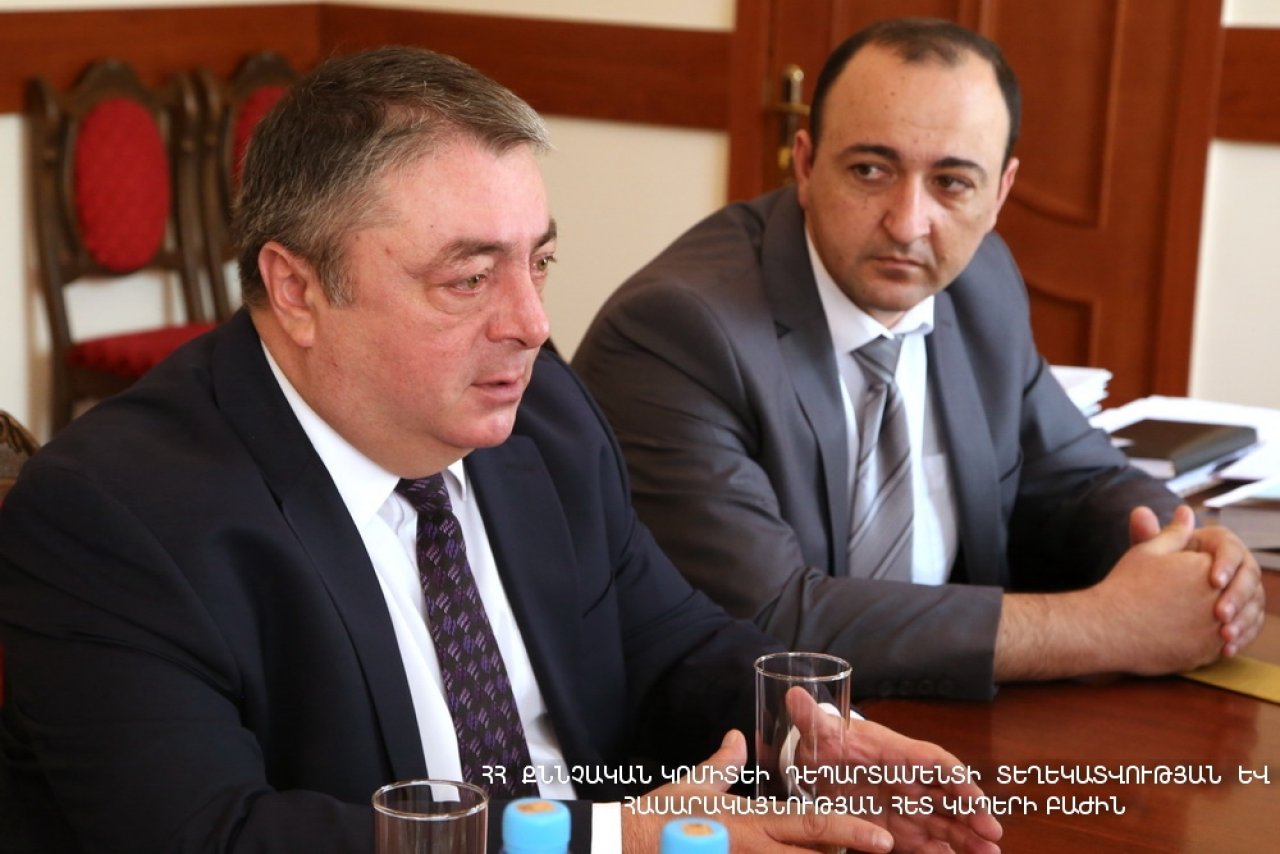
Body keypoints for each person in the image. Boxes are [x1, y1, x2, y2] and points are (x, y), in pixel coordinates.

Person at [0, 47, 1004, 853]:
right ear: (297, 288)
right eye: (470, 279)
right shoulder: (113, 514)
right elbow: (217, 835)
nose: (531, 324)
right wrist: (606, 837)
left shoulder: (542, 412)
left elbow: (663, 640)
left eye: (540, 261)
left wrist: (809, 738)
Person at [572, 18, 1264, 702]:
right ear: (805, 165)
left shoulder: (979, 280)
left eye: (952, 183)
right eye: (870, 171)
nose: (907, 224)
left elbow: (1077, 479)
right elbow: (770, 620)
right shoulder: (679, 331)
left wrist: (1194, 554)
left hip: (954, 720)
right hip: (750, 741)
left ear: (1000, 193)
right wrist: (1107, 627)